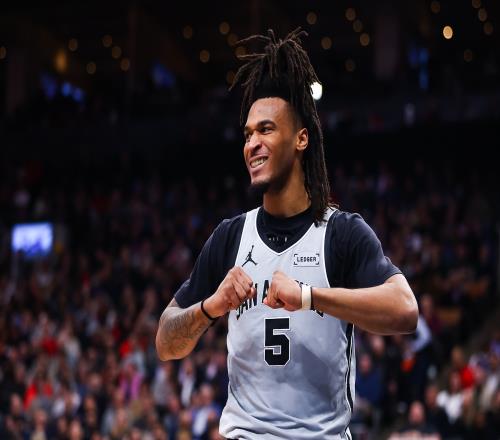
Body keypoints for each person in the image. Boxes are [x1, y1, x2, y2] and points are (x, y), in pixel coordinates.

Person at [156, 28, 418, 439]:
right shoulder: (230, 237)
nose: (252, 144)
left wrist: (309, 296)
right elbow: (165, 341)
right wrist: (210, 307)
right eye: (247, 134)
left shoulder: (341, 233)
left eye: (265, 130)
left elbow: (405, 310)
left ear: (301, 139)